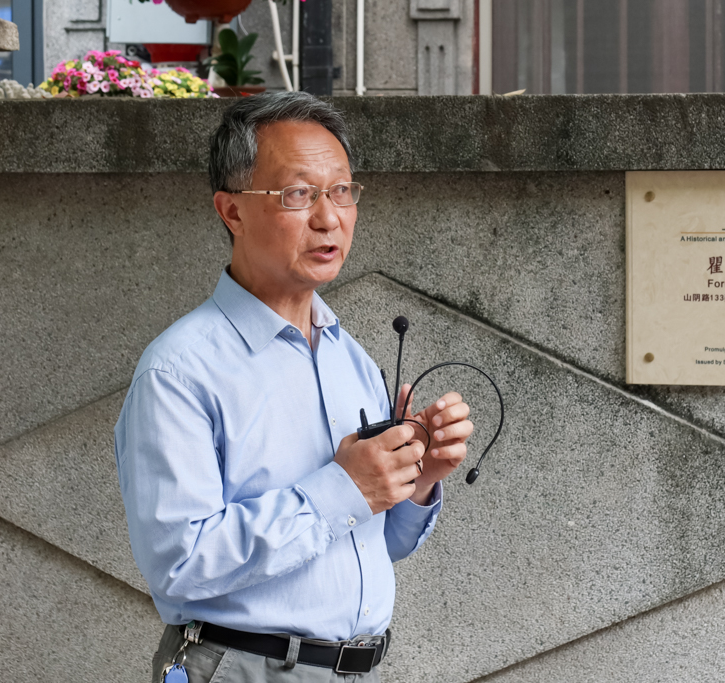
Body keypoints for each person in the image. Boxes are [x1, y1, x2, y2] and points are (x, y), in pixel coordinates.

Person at [114, 91, 473, 683]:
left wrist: (417, 480)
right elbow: (179, 562)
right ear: (232, 211)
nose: (329, 218)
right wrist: (345, 487)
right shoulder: (178, 371)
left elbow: (370, 544)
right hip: (241, 668)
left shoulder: (350, 358)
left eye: (342, 191)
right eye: (299, 194)